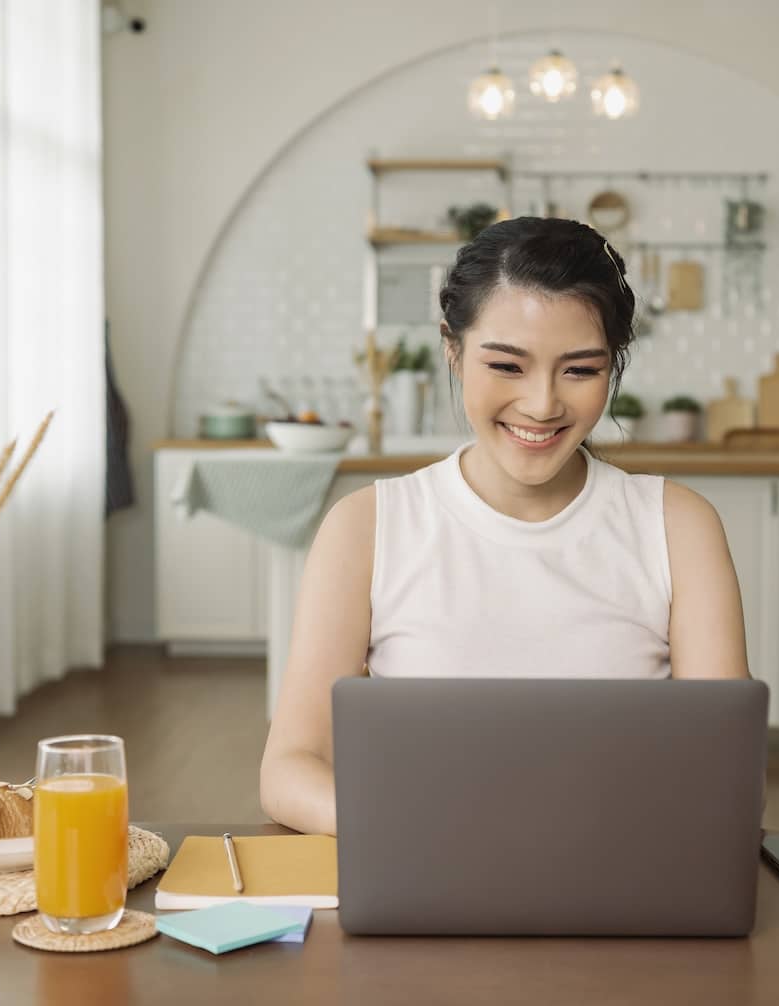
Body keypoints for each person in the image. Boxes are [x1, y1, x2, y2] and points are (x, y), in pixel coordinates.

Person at [259, 217, 749, 836]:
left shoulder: (679, 527)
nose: (542, 405)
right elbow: (288, 769)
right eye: (508, 367)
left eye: (580, 371)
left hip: (615, 871)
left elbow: (725, 773)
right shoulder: (367, 527)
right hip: (422, 866)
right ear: (453, 350)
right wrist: (423, 825)